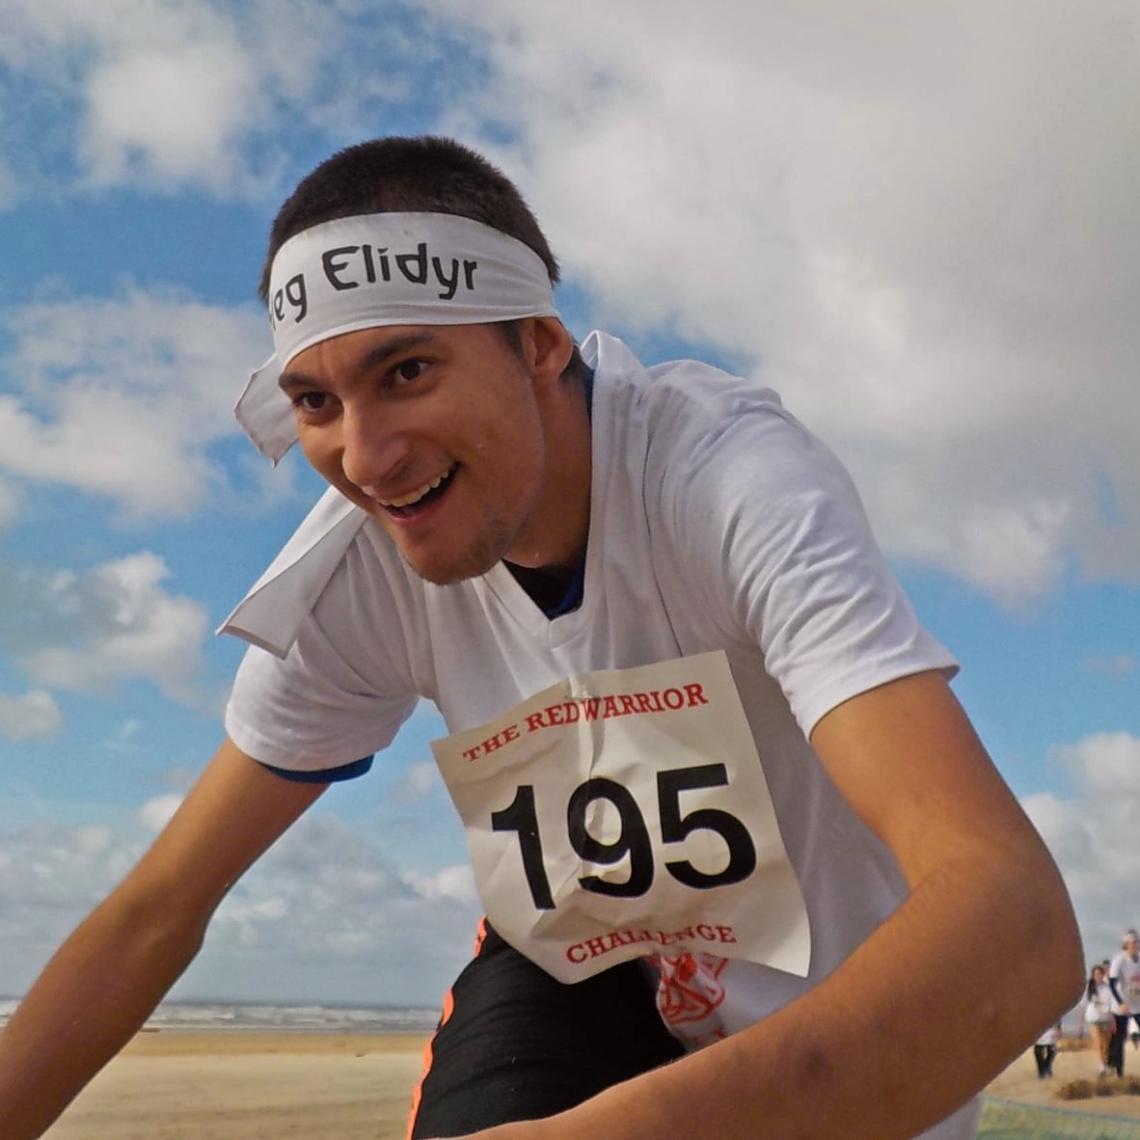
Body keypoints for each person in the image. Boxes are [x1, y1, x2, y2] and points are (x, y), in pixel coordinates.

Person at [0, 136, 1083, 1140]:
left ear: (539, 343)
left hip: (837, 1015)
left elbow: (1021, 928)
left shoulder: (726, 483)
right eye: (316, 400)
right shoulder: (361, 566)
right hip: (583, 969)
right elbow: (158, 909)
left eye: (407, 371)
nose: (366, 458)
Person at [1108, 929, 1140, 1078]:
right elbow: (1112, 984)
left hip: (1137, 1003)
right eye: (1134, 942)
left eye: (1138, 942)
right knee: (1119, 1038)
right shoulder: (1119, 960)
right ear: (1126, 944)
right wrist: (1120, 1002)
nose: (1137, 945)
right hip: (1121, 1005)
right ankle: (1117, 1071)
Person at [1084, 964, 1115, 1077]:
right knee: (1097, 1042)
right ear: (1093, 975)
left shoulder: (1108, 988)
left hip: (1106, 1018)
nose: (1098, 976)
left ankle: (1105, 1065)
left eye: (1100, 974)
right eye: (1095, 974)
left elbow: (1112, 1003)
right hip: (1093, 1018)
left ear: (1103, 975)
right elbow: (1086, 1002)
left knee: (1105, 1045)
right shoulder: (1089, 987)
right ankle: (1101, 1065)